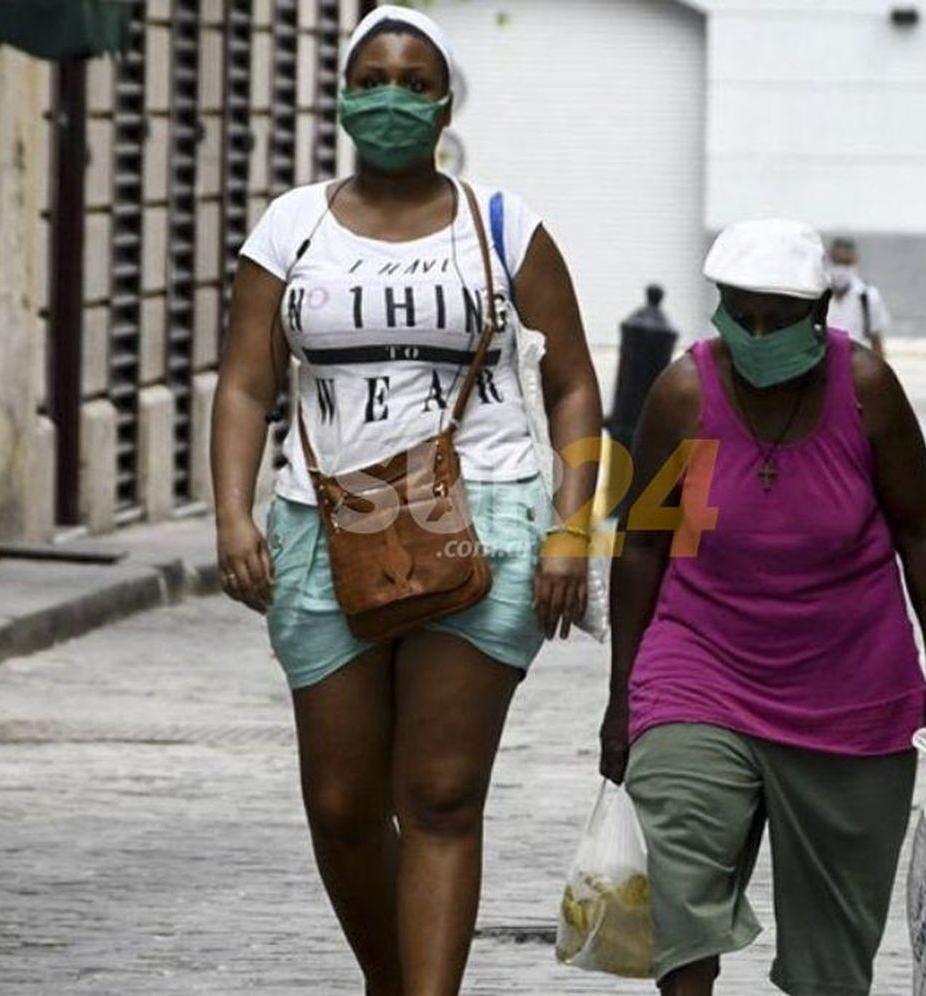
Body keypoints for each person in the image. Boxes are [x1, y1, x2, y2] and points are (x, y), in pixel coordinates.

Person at [209, 7, 602, 994]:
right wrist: (231, 512)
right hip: (322, 525)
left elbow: (574, 386)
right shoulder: (290, 227)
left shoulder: (504, 226)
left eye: (413, 80)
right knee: (343, 804)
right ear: (343, 96)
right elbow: (246, 381)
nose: (390, 96)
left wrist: (571, 528)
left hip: (486, 523)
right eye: (371, 77)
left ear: (444, 100)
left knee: (438, 795)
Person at [598, 219, 926, 996]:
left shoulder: (867, 390)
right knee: (680, 893)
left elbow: (924, 535)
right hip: (698, 671)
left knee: (831, 965)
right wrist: (622, 697)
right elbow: (640, 546)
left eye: (780, 317)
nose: (761, 334)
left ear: (822, 313)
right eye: (744, 316)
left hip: (852, 695)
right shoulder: (682, 392)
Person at [825, 236, 892, 358]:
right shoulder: (818, 295)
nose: (841, 269)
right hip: (824, 366)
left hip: (857, 367)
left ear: (855, 261)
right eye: (837, 262)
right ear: (828, 260)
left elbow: (876, 340)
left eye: (846, 263)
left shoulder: (867, 296)